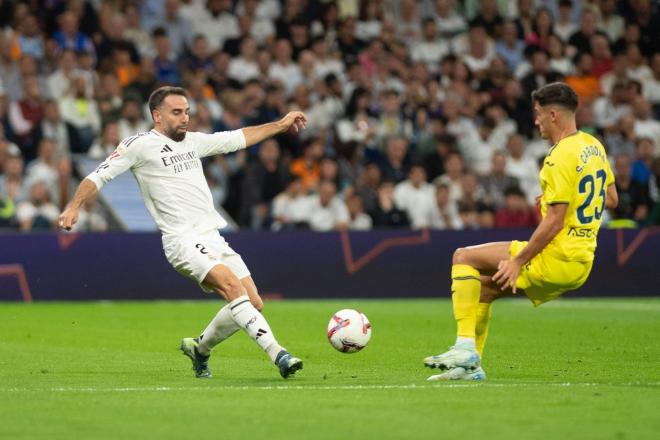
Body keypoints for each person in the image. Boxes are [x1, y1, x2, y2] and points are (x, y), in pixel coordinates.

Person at [58, 86, 307, 380]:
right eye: (177, 112)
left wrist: (280, 124)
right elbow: (98, 175)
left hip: (213, 236)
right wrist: (73, 206)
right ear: (157, 115)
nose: (185, 118)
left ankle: (200, 349)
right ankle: (279, 354)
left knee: (252, 304)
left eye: (187, 111)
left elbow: (238, 138)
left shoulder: (193, 142)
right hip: (182, 240)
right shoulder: (139, 145)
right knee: (231, 287)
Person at [423, 82, 618, 381]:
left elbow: (553, 222)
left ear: (553, 115)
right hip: (581, 263)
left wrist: (518, 260)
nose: (536, 120)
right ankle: (471, 368)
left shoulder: (557, 156)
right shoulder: (594, 146)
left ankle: (463, 347)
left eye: (539, 114)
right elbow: (612, 199)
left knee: (463, 257)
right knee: (485, 289)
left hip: (556, 257)